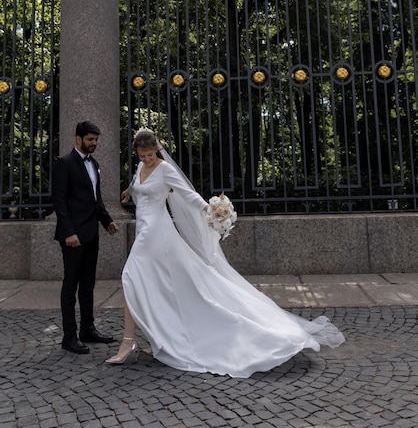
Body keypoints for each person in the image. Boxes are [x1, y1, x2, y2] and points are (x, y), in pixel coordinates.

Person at [106, 129, 345, 377]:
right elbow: (139, 186)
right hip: (144, 229)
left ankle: (128, 341)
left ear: (157, 150)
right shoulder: (140, 167)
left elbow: (188, 195)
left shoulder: (165, 169)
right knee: (159, 285)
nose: (146, 159)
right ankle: (161, 339)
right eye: (142, 156)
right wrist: (129, 190)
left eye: (149, 155)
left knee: (130, 277)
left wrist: (211, 210)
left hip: (156, 233)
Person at [52, 120, 119, 354]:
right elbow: (59, 201)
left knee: (88, 284)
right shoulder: (65, 163)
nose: (94, 143)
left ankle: (87, 329)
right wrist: (69, 232)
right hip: (72, 236)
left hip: (91, 234)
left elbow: (95, 199)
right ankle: (69, 337)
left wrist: (107, 220)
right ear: (78, 139)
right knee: (71, 285)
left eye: (96, 140)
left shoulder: (95, 164)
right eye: (90, 139)